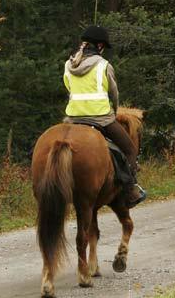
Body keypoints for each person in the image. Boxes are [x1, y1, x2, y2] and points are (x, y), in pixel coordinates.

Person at [63, 25, 147, 207]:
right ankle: (131, 190)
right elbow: (114, 94)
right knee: (130, 149)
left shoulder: (69, 65)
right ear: (100, 46)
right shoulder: (103, 65)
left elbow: (69, 88)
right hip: (101, 118)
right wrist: (114, 111)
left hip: (73, 118)